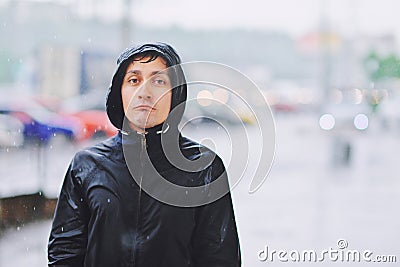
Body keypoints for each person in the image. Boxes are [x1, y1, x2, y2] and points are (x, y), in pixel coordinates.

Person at [48, 42, 241, 266]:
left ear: (175, 92)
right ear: (119, 92)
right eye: (133, 80)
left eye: (158, 81)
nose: (145, 92)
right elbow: (65, 252)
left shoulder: (203, 167)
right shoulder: (87, 165)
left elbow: (220, 258)